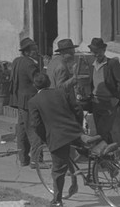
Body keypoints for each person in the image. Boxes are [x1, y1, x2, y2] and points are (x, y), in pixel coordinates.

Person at [29, 73, 83, 207]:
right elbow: (78, 109)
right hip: (74, 132)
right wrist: (78, 126)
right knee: (92, 152)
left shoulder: (34, 101)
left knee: (58, 170)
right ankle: (109, 167)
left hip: (57, 137)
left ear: (35, 86)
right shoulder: (61, 92)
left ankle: (57, 200)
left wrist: (45, 137)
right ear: (49, 83)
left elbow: (36, 124)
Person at [8, 37, 42, 168]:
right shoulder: (30, 64)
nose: (36, 52)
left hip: (20, 101)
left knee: (22, 130)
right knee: (34, 130)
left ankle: (23, 158)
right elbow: (38, 81)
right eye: (34, 50)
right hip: (29, 101)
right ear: (27, 52)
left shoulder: (17, 61)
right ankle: (36, 160)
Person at [88, 37, 120, 143]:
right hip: (96, 102)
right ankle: (108, 156)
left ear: (104, 51)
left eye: (99, 52)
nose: (96, 55)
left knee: (103, 131)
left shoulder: (112, 64)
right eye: (94, 52)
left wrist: (116, 99)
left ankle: (107, 154)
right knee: (101, 131)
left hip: (108, 102)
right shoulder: (91, 65)